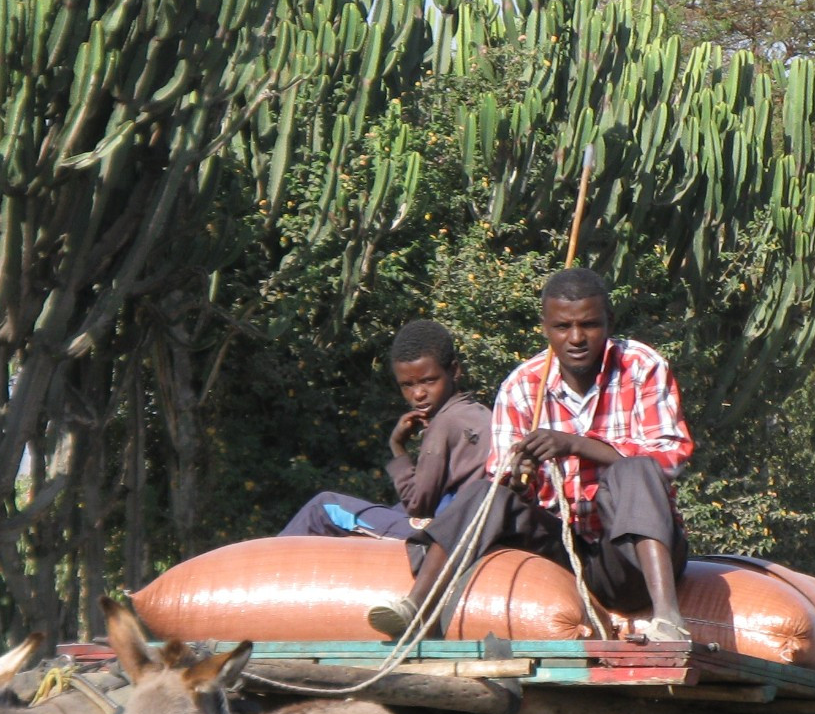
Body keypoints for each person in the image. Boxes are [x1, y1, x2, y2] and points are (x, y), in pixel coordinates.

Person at [367, 269, 695, 642]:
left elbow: (670, 458)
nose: (575, 338)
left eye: (589, 325)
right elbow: (505, 479)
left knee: (634, 470)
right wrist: (519, 475)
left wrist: (575, 444)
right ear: (545, 327)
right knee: (485, 492)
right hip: (565, 553)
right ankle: (418, 606)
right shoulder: (522, 385)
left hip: (629, 559)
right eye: (562, 327)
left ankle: (668, 617)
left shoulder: (641, 366)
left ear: (609, 322)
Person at [279, 319, 491, 539]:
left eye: (428, 381)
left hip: (444, 533)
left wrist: (397, 446)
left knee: (323, 508)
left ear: (454, 370)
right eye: (407, 385)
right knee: (390, 510)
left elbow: (418, 507)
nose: (418, 394)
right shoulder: (481, 413)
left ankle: (261, 565)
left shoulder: (444, 423)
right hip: (464, 524)